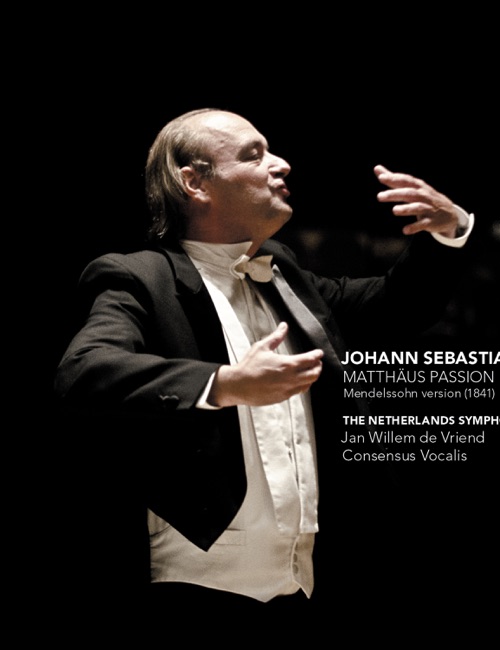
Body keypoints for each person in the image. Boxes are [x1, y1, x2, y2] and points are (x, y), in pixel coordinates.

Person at [54, 108, 474, 628]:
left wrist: (448, 232)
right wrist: (223, 383)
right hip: (192, 585)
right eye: (254, 155)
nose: (281, 164)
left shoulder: (283, 273)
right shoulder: (140, 277)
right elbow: (85, 371)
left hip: (306, 584)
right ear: (195, 183)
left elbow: (394, 309)